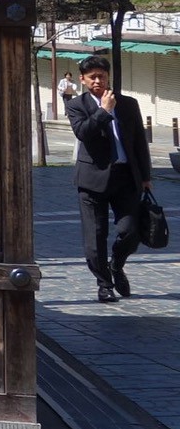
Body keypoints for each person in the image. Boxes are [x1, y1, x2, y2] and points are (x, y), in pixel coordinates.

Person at [64, 55, 148, 303]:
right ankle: (104, 284)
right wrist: (104, 111)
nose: (98, 81)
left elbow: (139, 142)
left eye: (101, 76)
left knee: (131, 231)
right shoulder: (76, 105)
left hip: (125, 177)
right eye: (92, 77)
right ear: (82, 79)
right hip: (92, 180)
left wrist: (145, 175)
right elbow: (83, 132)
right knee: (94, 238)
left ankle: (117, 264)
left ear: (108, 76)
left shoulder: (128, 103)